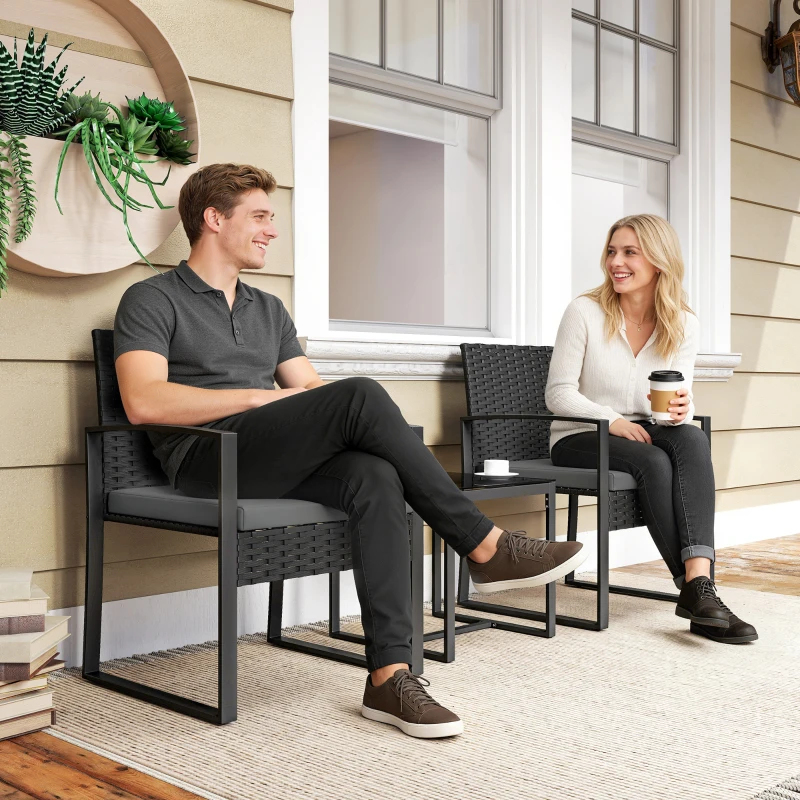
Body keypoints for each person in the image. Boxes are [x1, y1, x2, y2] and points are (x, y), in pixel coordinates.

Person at [113, 163, 587, 739]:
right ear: (214, 219)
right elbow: (143, 401)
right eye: (259, 217)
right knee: (359, 394)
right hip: (205, 459)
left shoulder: (268, 308)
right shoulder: (152, 298)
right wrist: (263, 398)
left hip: (272, 454)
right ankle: (484, 545)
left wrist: (319, 413)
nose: (271, 229)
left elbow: (311, 391)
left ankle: (390, 676)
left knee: (373, 475)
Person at [545, 214, 756, 644]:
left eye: (630, 252)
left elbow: (679, 397)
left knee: (691, 435)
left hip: (645, 429)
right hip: (579, 434)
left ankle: (699, 586)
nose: (615, 262)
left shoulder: (682, 323)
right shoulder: (584, 311)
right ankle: (698, 593)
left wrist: (681, 410)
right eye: (612, 251)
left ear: (659, 261)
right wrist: (613, 420)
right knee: (653, 462)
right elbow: (558, 394)